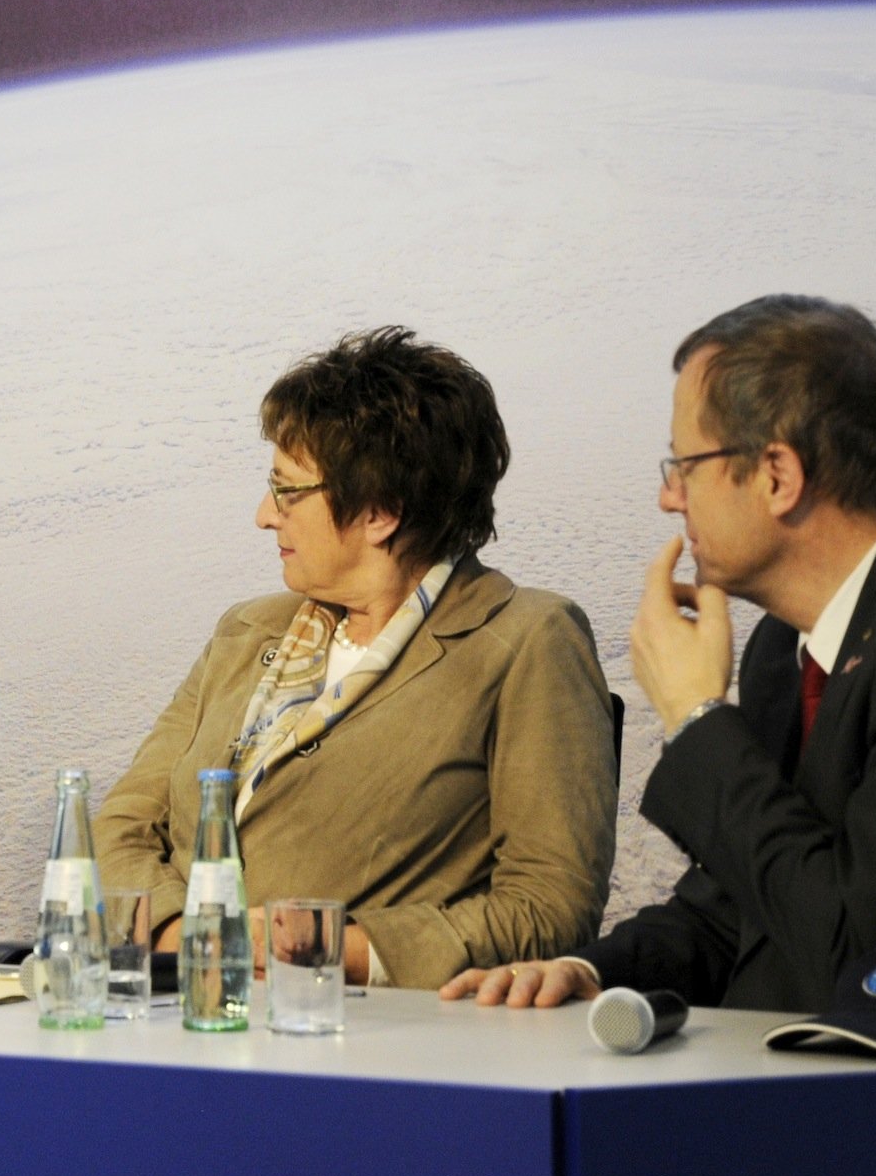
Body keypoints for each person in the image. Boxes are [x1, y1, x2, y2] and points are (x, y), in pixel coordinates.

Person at [442, 296, 876, 1027]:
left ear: (778, 475)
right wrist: (588, 970)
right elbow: (745, 908)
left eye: (684, 466)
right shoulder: (786, 648)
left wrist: (697, 720)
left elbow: (873, 966)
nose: (666, 498)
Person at [96, 328, 614, 989]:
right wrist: (188, 937)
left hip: (362, 1039)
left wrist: (330, 949)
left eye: (287, 492)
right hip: (180, 1006)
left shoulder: (529, 641)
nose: (263, 515)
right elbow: (120, 827)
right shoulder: (245, 631)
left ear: (378, 512)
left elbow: (550, 906)